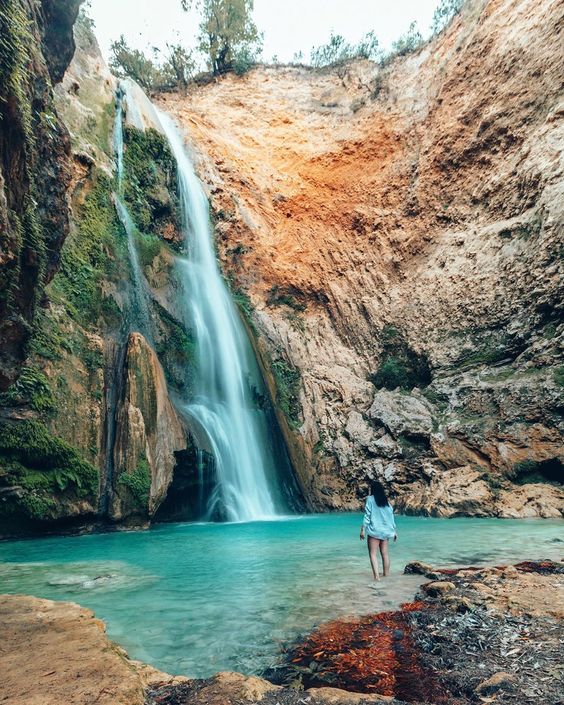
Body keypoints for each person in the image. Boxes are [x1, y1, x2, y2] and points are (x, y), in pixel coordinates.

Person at [359, 480, 397, 585]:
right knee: (385, 554)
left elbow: (367, 515)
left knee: (373, 554)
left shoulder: (370, 499)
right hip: (385, 532)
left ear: (373, 490)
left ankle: (376, 578)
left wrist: (363, 529)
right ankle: (386, 575)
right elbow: (391, 516)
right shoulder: (386, 501)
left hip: (374, 531)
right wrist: (394, 531)